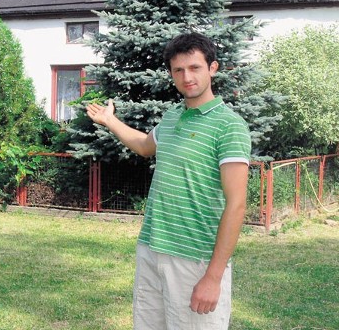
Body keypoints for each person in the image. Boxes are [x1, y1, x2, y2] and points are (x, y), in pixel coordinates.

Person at [86, 32, 251, 329]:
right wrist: (109, 120)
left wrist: (213, 277)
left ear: (212, 68)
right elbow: (145, 146)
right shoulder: (173, 117)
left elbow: (237, 204)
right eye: (178, 70)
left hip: (195, 259)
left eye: (195, 68)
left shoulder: (229, 126)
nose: (187, 77)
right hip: (152, 248)